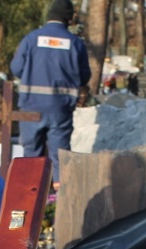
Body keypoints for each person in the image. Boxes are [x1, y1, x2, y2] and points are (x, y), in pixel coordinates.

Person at [10, 0, 91, 185]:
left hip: (31, 107)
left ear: (49, 16)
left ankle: (31, 194)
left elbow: (16, 68)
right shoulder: (75, 43)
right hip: (60, 108)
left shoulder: (31, 39)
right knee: (60, 157)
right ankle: (59, 197)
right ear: (69, 18)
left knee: (31, 155)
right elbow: (84, 76)